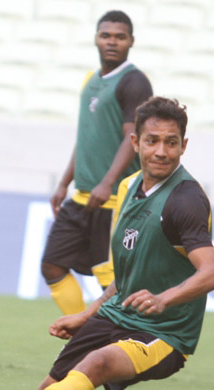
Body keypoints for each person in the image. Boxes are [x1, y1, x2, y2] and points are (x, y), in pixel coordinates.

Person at [0, 96, 214, 390]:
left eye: (172, 142)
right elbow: (124, 277)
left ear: (184, 146)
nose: (161, 150)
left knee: (96, 362)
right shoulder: (126, 188)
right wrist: (87, 314)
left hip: (166, 333)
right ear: (135, 142)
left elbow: (211, 273)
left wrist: (164, 300)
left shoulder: (186, 199)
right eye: (153, 140)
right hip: (117, 314)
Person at [42, 10, 153, 316]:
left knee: (112, 283)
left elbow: (133, 138)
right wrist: (65, 182)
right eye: (106, 35)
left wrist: (107, 183)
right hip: (81, 197)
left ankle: (117, 345)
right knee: (52, 264)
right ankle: (79, 336)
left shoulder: (135, 82)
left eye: (120, 36)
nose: (112, 42)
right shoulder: (91, 80)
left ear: (131, 41)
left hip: (114, 201)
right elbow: (87, 138)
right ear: (96, 39)